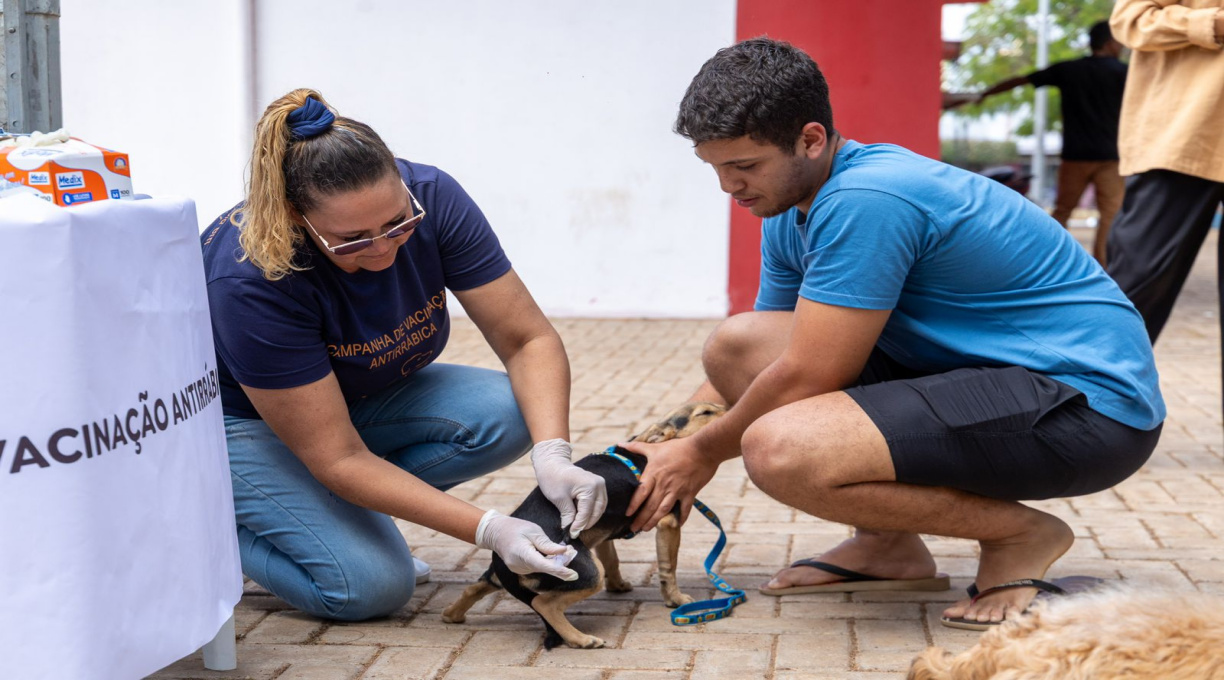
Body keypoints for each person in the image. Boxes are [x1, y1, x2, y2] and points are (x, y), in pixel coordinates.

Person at [621, 38, 1165, 630]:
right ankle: (888, 546)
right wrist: (656, 442)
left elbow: (810, 376)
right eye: (716, 168)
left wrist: (699, 453)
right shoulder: (790, 205)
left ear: (811, 139)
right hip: (993, 380)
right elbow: (771, 356)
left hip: (1089, 409)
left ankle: (1021, 535)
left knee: (778, 449)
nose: (729, 187)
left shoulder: (868, 198)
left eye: (744, 166)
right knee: (738, 345)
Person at [201, 89, 607, 621]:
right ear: (297, 219)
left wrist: (553, 455)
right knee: (369, 587)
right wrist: (488, 528)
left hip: (351, 399)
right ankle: (210, 522)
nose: (384, 248)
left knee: (509, 413)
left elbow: (527, 340)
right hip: (239, 422)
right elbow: (337, 457)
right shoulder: (253, 275)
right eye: (351, 240)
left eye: (398, 223)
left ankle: (331, 517)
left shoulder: (432, 196)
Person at [1106, 1, 1224, 397]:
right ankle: (1067, 418)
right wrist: (1213, 23)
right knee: (1135, 289)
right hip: (1184, 134)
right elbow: (1131, 21)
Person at [971, 21, 1128, 266]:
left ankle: (1043, 261)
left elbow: (1021, 80)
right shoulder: (1123, 72)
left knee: (1063, 210)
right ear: (1111, 43)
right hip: (1110, 157)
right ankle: (1104, 266)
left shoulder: (1069, 69)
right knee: (1111, 214)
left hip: (1075, 155)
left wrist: (984, 93)